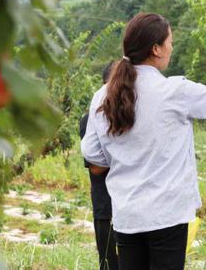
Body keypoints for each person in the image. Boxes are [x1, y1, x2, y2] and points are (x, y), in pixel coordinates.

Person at [81, 13, 206, 270]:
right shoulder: (175, 92)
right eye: (170, 42)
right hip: (166, 214)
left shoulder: (103, 96)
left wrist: (125, 157)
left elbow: (93, 154)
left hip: (127, 215)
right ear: (156, 49)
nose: (172, 47)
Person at [79, 62, 118, 270]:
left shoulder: (127, 114)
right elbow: (95, 167)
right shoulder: (90, 119)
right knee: (110, 264)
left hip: (129, 206)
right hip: (106, 208)